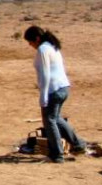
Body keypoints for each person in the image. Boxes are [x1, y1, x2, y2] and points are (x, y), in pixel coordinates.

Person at [24, 25, 88, 163]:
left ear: (37, 38)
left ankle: (56, 155)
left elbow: (46, 73)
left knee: (50, 121)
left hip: (53, 90)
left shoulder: (43, 49)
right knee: (56, 118)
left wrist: (43, 95)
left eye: (30, 42)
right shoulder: (52, 45)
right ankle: (78, 145)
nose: (30, 45)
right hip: (64, 87)